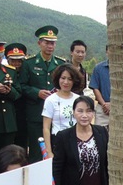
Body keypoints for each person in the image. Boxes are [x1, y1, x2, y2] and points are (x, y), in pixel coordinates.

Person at [20, 25, 69, 163]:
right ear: (39, 43)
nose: (50, 46)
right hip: (36, 114)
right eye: (46, 42)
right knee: (36, 151)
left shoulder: (60, 64)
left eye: (52, 43)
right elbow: (21, 86)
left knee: (56, 149)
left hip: (56, 115)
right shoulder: (28, 64)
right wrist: (37, 93)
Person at [42, 63, 82, 158]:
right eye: (63, 78)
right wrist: (49, 152)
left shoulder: (79, 99)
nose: (66, 82)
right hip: (58, 141)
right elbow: (46, 128)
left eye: (70, 79)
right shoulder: (51, 100)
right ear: (58, 79)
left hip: (76, 141)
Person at [5, 43, 29, 150]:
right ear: (7, 60)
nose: (16, 64)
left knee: (22, 146)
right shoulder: (4, 74)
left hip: (24, 114)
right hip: (8, 114)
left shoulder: (27, 74)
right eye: (13, 60)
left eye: (19, 61)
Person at [90, 47, 111, 129]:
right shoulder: (98, 68)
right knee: (99, 134)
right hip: (102, 109)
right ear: (106, 52)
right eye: (110, 49)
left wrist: (113, 105)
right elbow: (95, 88)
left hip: (120, 107)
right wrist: (104, 105)